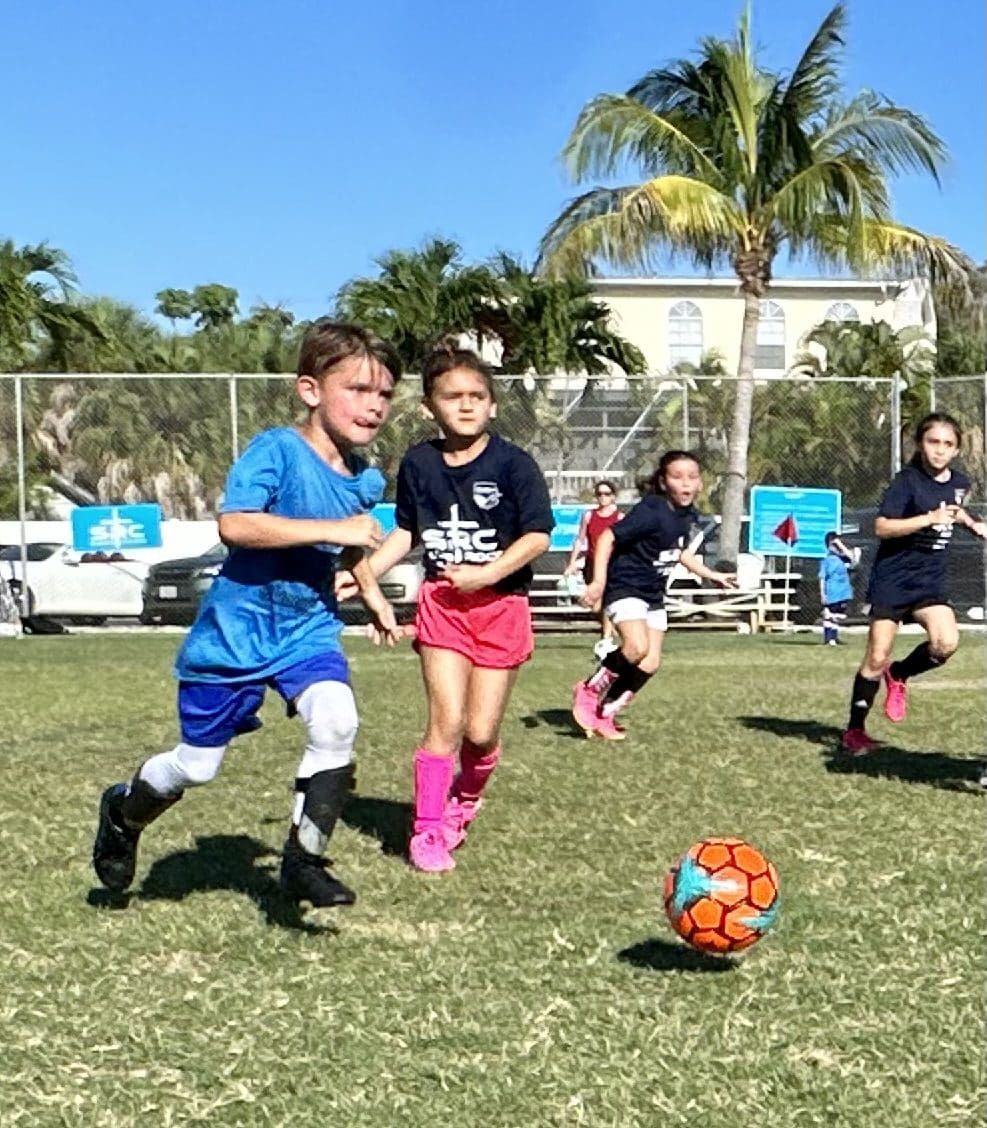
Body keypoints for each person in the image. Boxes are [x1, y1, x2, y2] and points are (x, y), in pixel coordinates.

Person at [92, 320, 403, 908]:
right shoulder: (276, 450)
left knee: (336, 722)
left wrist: (375, 597)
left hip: (307, 629)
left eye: (384, 393)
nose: (374, 405)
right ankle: (124, 813)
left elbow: (352, 545)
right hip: (234, 637)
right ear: (310, 389)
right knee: (198, 767)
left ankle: (303, 861)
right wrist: (332, 529)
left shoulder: (364, 479)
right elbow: (236, 525)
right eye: (358, 389)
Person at [361, 345, 553, 873]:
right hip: (443, 606)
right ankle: (426, 831)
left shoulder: (514, 464)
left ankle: (465, 800)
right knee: (445, 721)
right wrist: (363, 573)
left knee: (481, 732)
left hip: (501, 607)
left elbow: (538, 535)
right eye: (452, 397)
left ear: (492, 405)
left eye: (477, 396)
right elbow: (407, 531)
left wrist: (488, 574)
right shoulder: (420, 463)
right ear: (430, 406)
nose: (466, 406)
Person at [841, 412, 987, 755]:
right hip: (893, 579)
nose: (939, 450)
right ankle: (854, 731)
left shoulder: (960, 483)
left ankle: (901, 674)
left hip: (929, 580)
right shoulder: (905, 482)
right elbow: (881, 527)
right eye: (933, 442)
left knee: (946, 643)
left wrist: (973, 524)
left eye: (947, 444)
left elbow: (954, 508)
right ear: (921, 444)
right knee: (876, 656)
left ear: (956, 449)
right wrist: (928, 519)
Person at [572, 451, 734, 740]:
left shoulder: (688, 515)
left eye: (692, 477)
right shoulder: (652, 509)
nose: (686, 483)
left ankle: (606, 712)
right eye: (677, 476)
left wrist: (713, 575)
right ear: (662, 481)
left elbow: (680, 552)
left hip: (653, 592)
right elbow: (609, 537)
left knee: (650, 662)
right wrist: (598, 582)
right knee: (635, 647)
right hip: (626, 584)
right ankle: (589, 689)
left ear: (700, 483)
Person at [563, 479, 623, 659]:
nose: (603, 498)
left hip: (611, 564)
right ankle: (612, 632)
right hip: (591, 563)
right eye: (599, 494)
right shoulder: (589, 516)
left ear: (613, 496)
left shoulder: (619, 518)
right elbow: (580, 539)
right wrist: (572, 562)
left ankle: (606, 639)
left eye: (607, 494)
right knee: (594, 604)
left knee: (606, 602)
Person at [818, 531, 857, 645]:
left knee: (837, 615)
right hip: (832, 592)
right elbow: (822, 578)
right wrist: (822, 594)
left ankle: (834, 637)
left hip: (842, 591)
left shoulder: (843, 558)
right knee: (829, 614)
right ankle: (828, 638)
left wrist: (840, 545)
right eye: (833, 545)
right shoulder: (827, 560)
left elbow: (852, 558)